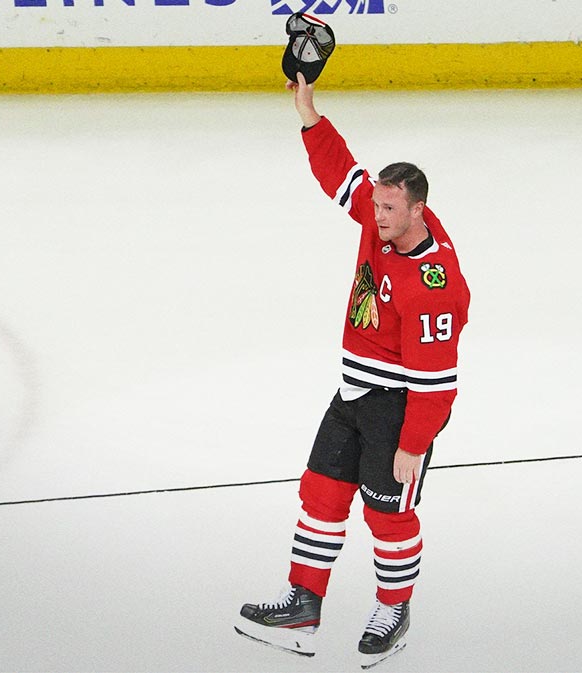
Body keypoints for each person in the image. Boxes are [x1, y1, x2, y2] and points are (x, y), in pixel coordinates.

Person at [234, 72, 470, 669]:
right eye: (378, 205)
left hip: (397, 407)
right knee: (320, 494)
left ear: (420, 210)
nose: (378, 215)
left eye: (391, 208)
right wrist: (309, 114)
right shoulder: (378, 215)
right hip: (353, 392)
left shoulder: (433, 284)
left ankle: (394, 609)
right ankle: (303, 604)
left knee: (387, 512)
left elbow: (439, 381)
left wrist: (414, 445)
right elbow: (340, 173)